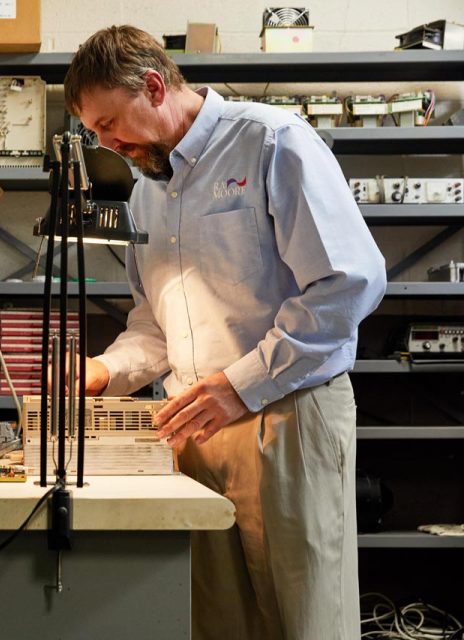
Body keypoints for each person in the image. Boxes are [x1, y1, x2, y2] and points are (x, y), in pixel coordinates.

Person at [63, 25, 386, 640]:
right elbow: (154, 323)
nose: (105, 143)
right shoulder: (146, 194)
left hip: (288, 419)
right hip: (193, 426)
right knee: (215, 622)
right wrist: (106, 371)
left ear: (154, 86)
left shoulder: (272, 141)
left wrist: (239, 386)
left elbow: (348, 283)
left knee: (302, 618)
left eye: (108, 124)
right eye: (95, 131)